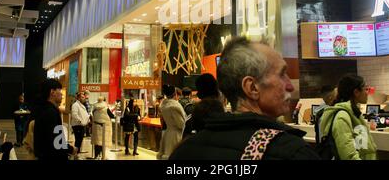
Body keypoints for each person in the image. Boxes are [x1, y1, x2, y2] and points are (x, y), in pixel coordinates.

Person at [170, 37, 319, 160]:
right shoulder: (292, 153)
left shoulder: (184, 151)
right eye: (281, 74)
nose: (290, 86)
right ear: (252, 88)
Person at [319, 75, 377, 160]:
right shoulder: (342, 116)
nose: (367, 93)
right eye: (366, 89)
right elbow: (349, 155)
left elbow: (361, 146)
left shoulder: (354, 113)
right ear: (356, 92)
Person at [33, 79, 77, 160]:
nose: (61, 94)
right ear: (52, 92)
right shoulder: (51, 112)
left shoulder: (41, 109)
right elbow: (57, 141)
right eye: (59, 90)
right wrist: (71, 149)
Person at [157, 85, 186, 160]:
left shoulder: (164, 105)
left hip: (168, 133)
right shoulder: (174, 106)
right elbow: (181, 124)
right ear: (175, 93)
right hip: (176, 135)